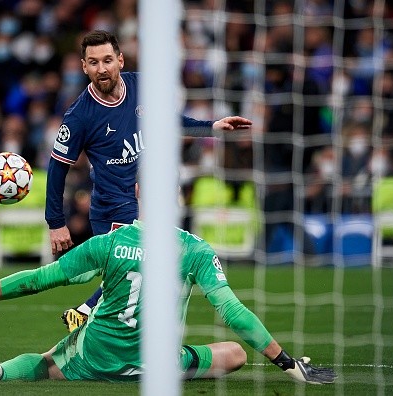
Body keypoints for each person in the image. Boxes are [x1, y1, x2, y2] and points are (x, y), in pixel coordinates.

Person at [0, 183, 337, 385]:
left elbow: (38, 280)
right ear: (178, 197)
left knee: (46, 364)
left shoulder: (109, 242)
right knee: (233, 354)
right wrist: (284, 361)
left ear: (137, 192)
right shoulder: (194, 250)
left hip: (96, 357)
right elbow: (231, 312)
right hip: (157, 364)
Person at [46, 29, 253, 319]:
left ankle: (85, 313)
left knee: (140, 281)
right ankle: (86, 315)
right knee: (140, 278)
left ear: (120, 60)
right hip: (113, 208)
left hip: (146, 201)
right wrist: (56, 222)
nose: (101, 69)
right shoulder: (80, 115)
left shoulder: (140, 86)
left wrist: (212, 126)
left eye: (107, 60)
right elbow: (57, 168)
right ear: (84, 66)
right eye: (93, 62)